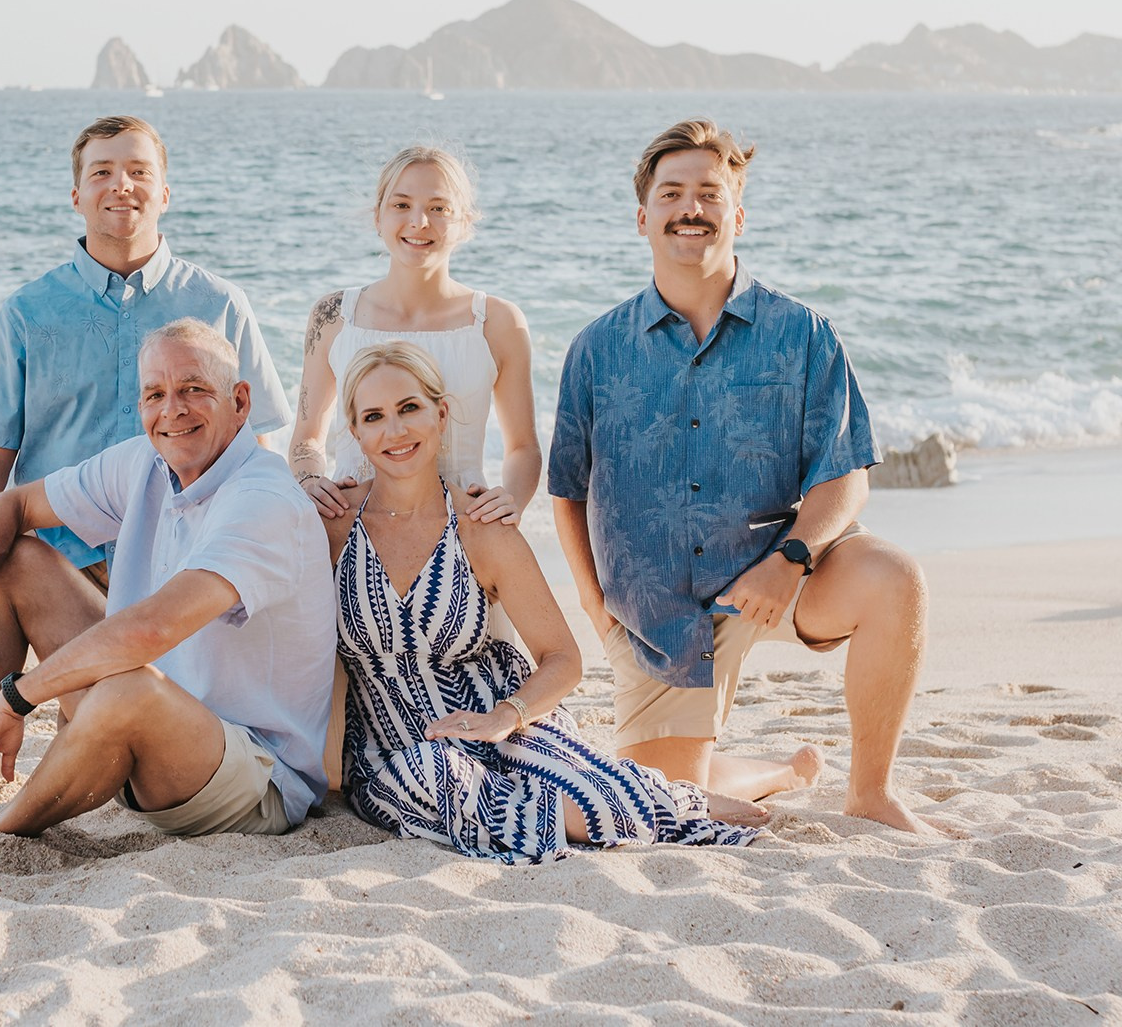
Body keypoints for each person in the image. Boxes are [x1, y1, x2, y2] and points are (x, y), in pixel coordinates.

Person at [0, 320, 334, 845]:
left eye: (194, 390)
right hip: (139, 729)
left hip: (252, 775)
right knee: (14, 561)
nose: (172, 410)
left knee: (129, 684)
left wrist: (16, 699)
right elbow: (12, 505)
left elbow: (152, 629)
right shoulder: (147, 461)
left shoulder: (262, 498)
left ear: (240, 401)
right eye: (155, 394)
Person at [550, 118, 939, 834]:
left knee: (896, 578)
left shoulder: (803, 334)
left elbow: (844, 476)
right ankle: (785, 773)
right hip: (657, 612)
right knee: (668, 805)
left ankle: (870, 792)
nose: (690, 208)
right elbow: (567, 488)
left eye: (709, 192)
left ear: (737, 213)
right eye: (672, 193)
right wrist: (590, 595)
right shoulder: (596, 350)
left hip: (774, 580)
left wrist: (790, 561)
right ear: (643, 217)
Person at [324, 340, 762, 863]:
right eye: (374, 417)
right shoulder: (330, 525)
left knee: (599, 796)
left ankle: (764, 776)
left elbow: (563, 658)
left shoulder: (483, 529)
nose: (394, 431)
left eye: (409, 408)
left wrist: (503, 718)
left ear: (440, 414)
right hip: (392, 750)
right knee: (444, 776)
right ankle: (677, 798)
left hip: (504, 724)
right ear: (355, 432)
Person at [0, 115, 290, 677]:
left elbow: (258, 445)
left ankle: (83, 709)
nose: (121, 184)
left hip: (177, 561)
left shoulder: (220, 304)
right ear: (77, 195)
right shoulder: (28, 312)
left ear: (165, 194)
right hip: (57, 558)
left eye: (138, 170)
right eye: (103, 171)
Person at [290, 147, 537, 527]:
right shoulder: (334, 316)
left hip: (466, 530)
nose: (419, 222)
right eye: (401, 205)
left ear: (465, 222)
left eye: (439, 208)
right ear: (378, 217)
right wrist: (309, 480)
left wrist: (511, 502)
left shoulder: (497, 322)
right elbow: (307, 437)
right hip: (351, 527)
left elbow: (522, 447)